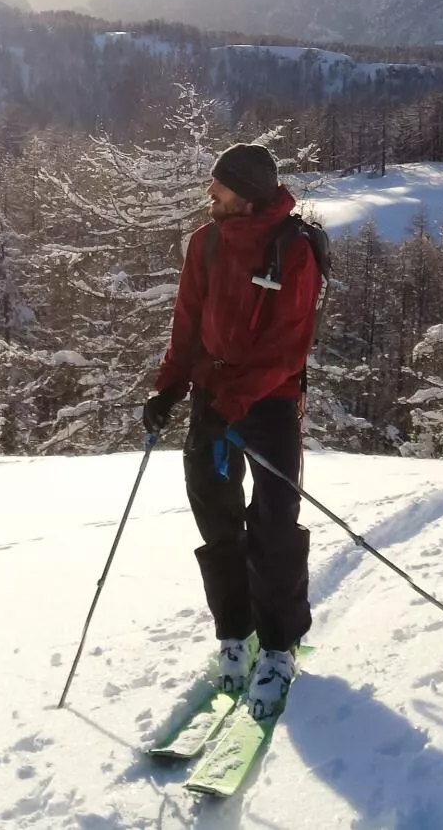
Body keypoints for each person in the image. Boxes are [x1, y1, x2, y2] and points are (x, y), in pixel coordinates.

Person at [142, 141, 323, 718]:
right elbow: (187, 324)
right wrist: (168, 387)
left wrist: (237, 402)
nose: (209, 192)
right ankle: (234, 634)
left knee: (273, 526)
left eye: (218, 185)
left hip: (271, 403)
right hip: (211, 399)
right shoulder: (207, 242)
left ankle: (278, 648)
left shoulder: (293, 249)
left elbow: (287, 345)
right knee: (217, 520)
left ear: (244, 194)